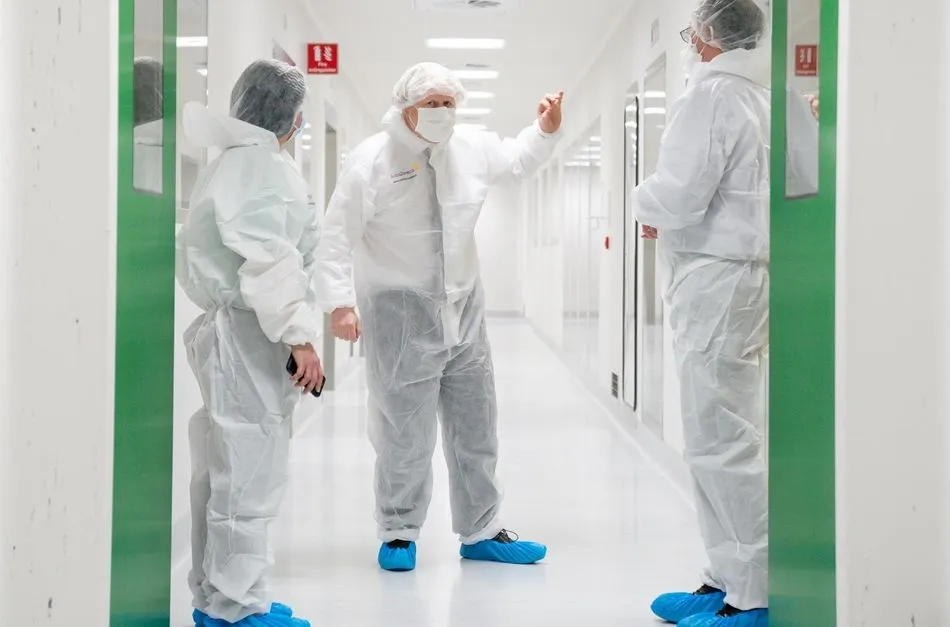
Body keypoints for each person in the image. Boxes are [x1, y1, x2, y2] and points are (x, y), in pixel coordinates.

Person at [314, 62, 563, 572]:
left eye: (450, 104)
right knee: (403, 429)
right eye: (432, 105)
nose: (443, 114)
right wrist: (339, 304)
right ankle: (399, 531)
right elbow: (336, 235)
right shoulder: (372, 161)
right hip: (399, 312)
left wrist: (545, 130)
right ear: (406, 108)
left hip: (463, 306)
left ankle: (481, 530)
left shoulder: (469, 147)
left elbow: (517, 160)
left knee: (477, 422)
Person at [636, 2, 771, 626]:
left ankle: (752, 594)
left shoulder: (711, 96)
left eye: (694, 32)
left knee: (721, 439)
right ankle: (723, 578)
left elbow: (680, 193)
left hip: (718, 277)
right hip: (738, 275)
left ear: (712, 35)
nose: (690, 42)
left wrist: (643, 201)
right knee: (720, 433)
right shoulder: (759, 98)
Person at [177, 59, 323, 627]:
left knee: (225, 470)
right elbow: (270, 259)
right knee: (247, 476)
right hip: (248, 335)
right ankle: (236, 608)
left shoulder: (235, 163)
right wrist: (300, 337)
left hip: (235, 331)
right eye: (298, 113)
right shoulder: (261, 168)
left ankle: (220, 595)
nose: (301, 121)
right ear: (285, 114)